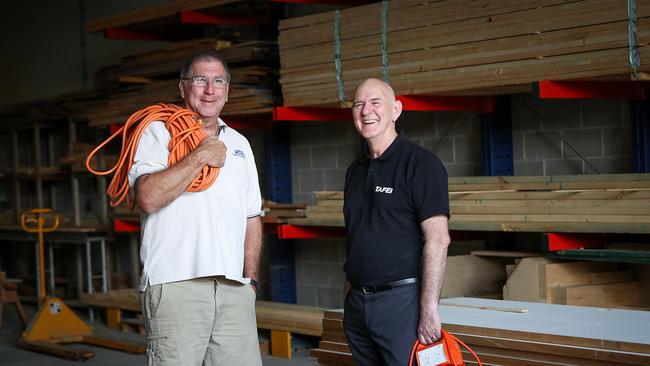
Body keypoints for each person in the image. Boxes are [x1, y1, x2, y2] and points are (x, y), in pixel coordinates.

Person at [128, 49, 263, 366]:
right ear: (182, 87)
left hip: (233, 290)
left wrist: (251, 282)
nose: (210, 89)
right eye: (200, 80)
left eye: (218, 81)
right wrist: (201, 155)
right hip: (176, 286)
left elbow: (252, 216)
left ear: (227, 90)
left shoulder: (240, 144)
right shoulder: (158, 133)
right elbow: (146, 196)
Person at [342, 78, 451, 365]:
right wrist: (348, 297)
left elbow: (438, 239)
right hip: (357, 303)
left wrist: (429, 308)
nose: (367, 110)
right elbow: (357, 236)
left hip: (401, 303)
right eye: (358, 104)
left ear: (396, 110)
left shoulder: (421, 165)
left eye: (376, 102)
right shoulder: (355, 172)